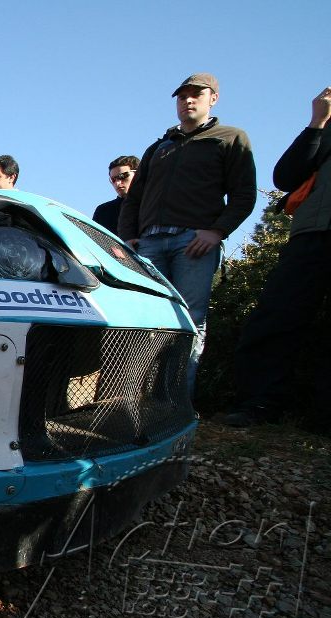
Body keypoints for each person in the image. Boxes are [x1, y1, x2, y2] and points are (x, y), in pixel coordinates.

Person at [118, 73, 257, 391]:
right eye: (182, 96)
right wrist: (128, 238)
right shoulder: (159, 147)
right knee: (146, 321)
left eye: (196, 94)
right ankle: (139, 401)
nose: (188, 100)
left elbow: (244, 195)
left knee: (189, 320)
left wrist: (217, 231)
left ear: (214, 98)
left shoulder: (230, 138)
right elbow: (134, 199)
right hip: (149, 245)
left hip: (193, 243)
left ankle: (175, 403)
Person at [223, 86, 331, 427]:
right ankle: (259, 403)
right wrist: (317, 123)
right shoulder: (325, 125)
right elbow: (285, 177)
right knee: (276, 316)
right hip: (311, 233)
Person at [92, 155, 139, 232]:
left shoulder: (151, 205)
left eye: (123, 176)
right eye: (113, 179)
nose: (117, 183)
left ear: (137, 175)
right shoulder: (103, 211)